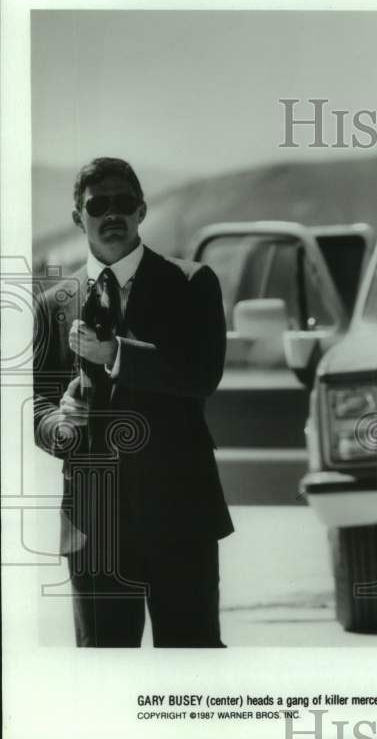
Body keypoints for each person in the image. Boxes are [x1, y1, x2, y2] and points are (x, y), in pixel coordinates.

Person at [33, 157, 233, 647]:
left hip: (180, 516)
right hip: (93, 521)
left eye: (124, 203)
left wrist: (116, 353)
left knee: (191, 666)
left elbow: (202, 374)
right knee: (103, 672)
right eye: (98, 205)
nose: (112, 214)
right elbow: (36, 403)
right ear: (78, 217)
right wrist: (61, 423)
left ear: (142, 211)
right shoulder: (54, 304)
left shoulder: (192, 283)